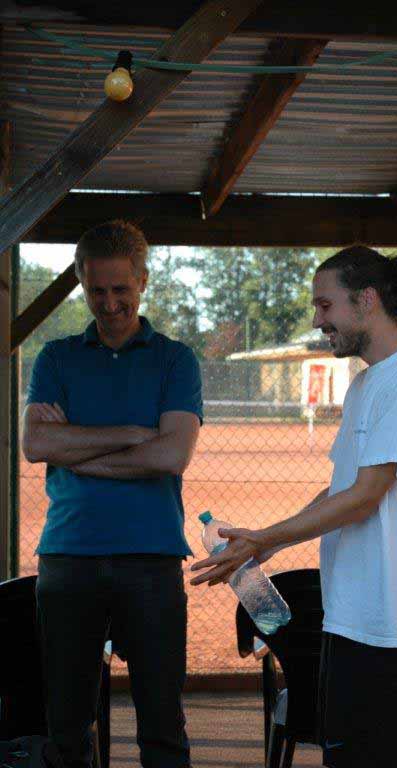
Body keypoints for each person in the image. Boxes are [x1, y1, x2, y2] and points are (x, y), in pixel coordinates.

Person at [190, 245, 397, 768]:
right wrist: (264, 541)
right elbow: (343, 486)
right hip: (351, 614)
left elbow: (366, 495)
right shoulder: (368, 383)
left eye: (325, 305)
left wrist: (266, 538)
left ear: (367, 300)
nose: (317, 321)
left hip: (393, 623)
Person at [22, 220, 202, 768]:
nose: (109, 303)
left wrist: (74, 449)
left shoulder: (175, 359)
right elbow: (35, 444)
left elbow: (171, 455)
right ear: (82, 283)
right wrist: (130, 433)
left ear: (143, 281)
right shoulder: (56, 357)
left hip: (151, 559)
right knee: (66, 726)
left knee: (162, 724)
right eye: (96, 290)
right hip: (68, 557)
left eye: (121, 288)